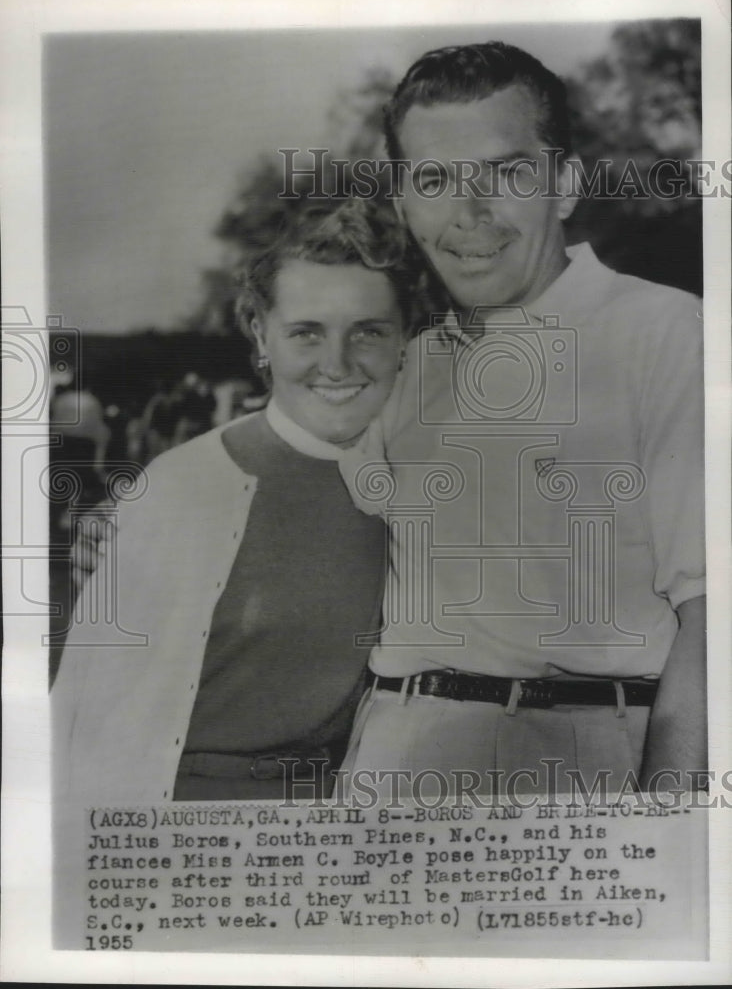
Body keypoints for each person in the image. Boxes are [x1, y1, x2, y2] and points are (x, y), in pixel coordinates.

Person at [338, 41, 705, 797]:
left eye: (505, 174)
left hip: (586, 756)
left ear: (563, 185)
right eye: (434, 180)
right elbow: (295, 516)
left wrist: (675, 832)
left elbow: (717, 617)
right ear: (404, 202)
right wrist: (145, 528)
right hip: (397, 753)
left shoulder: (667, 331)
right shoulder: (404, 367)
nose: (468, 215)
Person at [52, 197, 412, 809]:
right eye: (306, 332)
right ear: (260, 336)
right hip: (180, 825)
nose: (338, 364)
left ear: (405, 338)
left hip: (346, 827)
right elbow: (85, 724)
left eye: (369, 331)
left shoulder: (431, 480)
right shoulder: (180, 487)